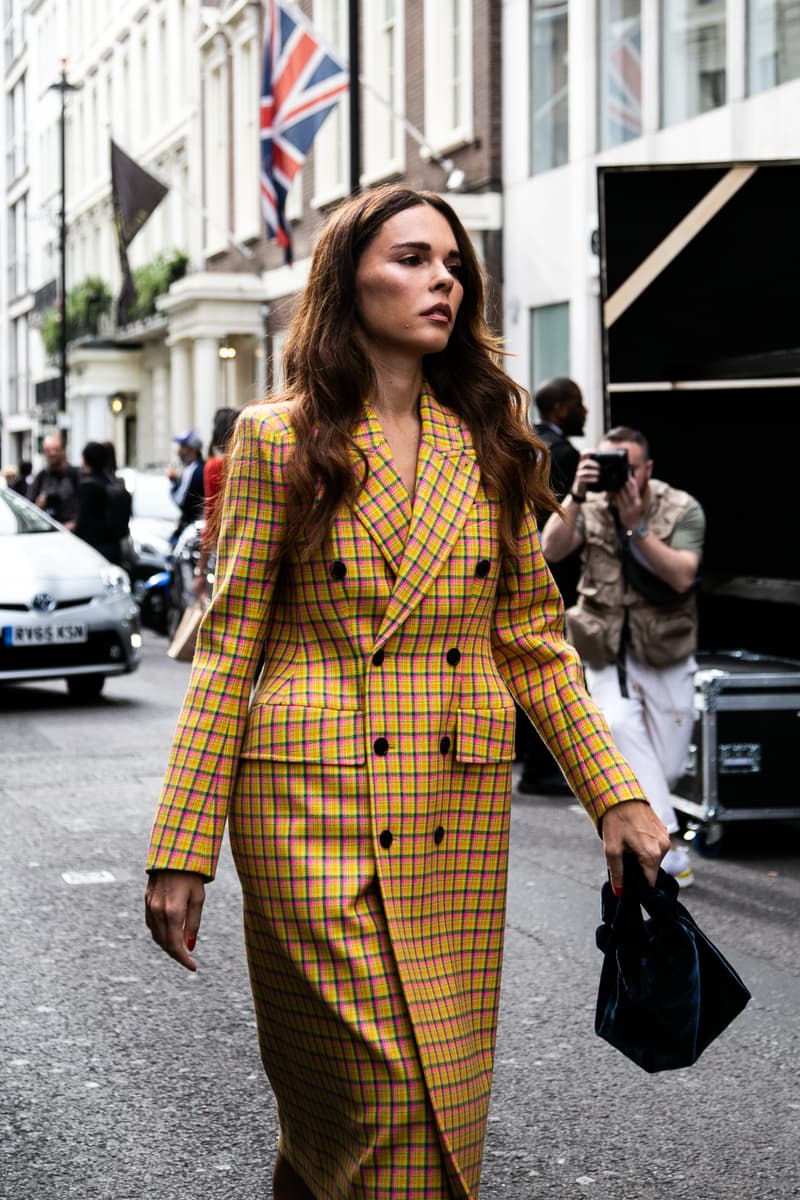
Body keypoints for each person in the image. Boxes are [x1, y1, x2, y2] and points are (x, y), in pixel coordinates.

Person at [144, 185, 669, 1200]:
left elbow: (528, 639)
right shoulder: (276, 439)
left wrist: (615, 792)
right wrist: (181, 847)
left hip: (450, 814)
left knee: (422, 1107)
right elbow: (230, 647)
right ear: (348, 281)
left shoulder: (488, 435)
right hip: (305, 807)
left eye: (452, 265)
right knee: (379, 1100)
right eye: (412, 259)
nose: (442, 281)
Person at [541, 425, 705, 888]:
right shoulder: (588, 505)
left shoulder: (681, 507)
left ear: (648, 469)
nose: (621, 477)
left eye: (628, 469)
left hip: (664, 650)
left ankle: (654, 824)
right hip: (602, 645)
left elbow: (681, 576)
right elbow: (548, 550)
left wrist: (637, 527)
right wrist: (575, 493)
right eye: (611, 465)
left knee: (667, 766)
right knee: (613, 724)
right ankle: (668, 841)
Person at [517, 377, 587, 795]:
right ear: (560, 408)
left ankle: (530, 759)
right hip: (558, 576)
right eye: (577, 403)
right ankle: (546, 766)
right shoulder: (563, 454)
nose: (585, 411)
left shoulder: (527, 445)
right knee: (554, 667)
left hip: (526, 568)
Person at [192, 406, 239, 601]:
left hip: (227, 549)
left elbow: (212, 517)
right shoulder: (246, 459)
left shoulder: (215, 465)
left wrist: (200, 571)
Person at [74, 441, 124, 563]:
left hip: (95, 547)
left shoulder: (88, 486)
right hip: (115, 546)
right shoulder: (114, 483)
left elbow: (82, 522)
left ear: (86, 460)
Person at [28, 433, 80, 529]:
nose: (52, 453)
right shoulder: (41, 477)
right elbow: (29, 508)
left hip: (73, 533)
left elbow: (88, 506)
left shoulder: (76, 474)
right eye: (48, 451)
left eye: (56, 449)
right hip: (48, 530)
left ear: (63, 450)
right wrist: (38, 506)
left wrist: (75, 523)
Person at [166, 429, 204, 541]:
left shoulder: (193, 470)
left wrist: (173, 481)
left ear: (192, 449)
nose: (178, 451)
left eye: (182, 447)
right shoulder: (196, 468)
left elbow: (181, 500)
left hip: (192, 528)